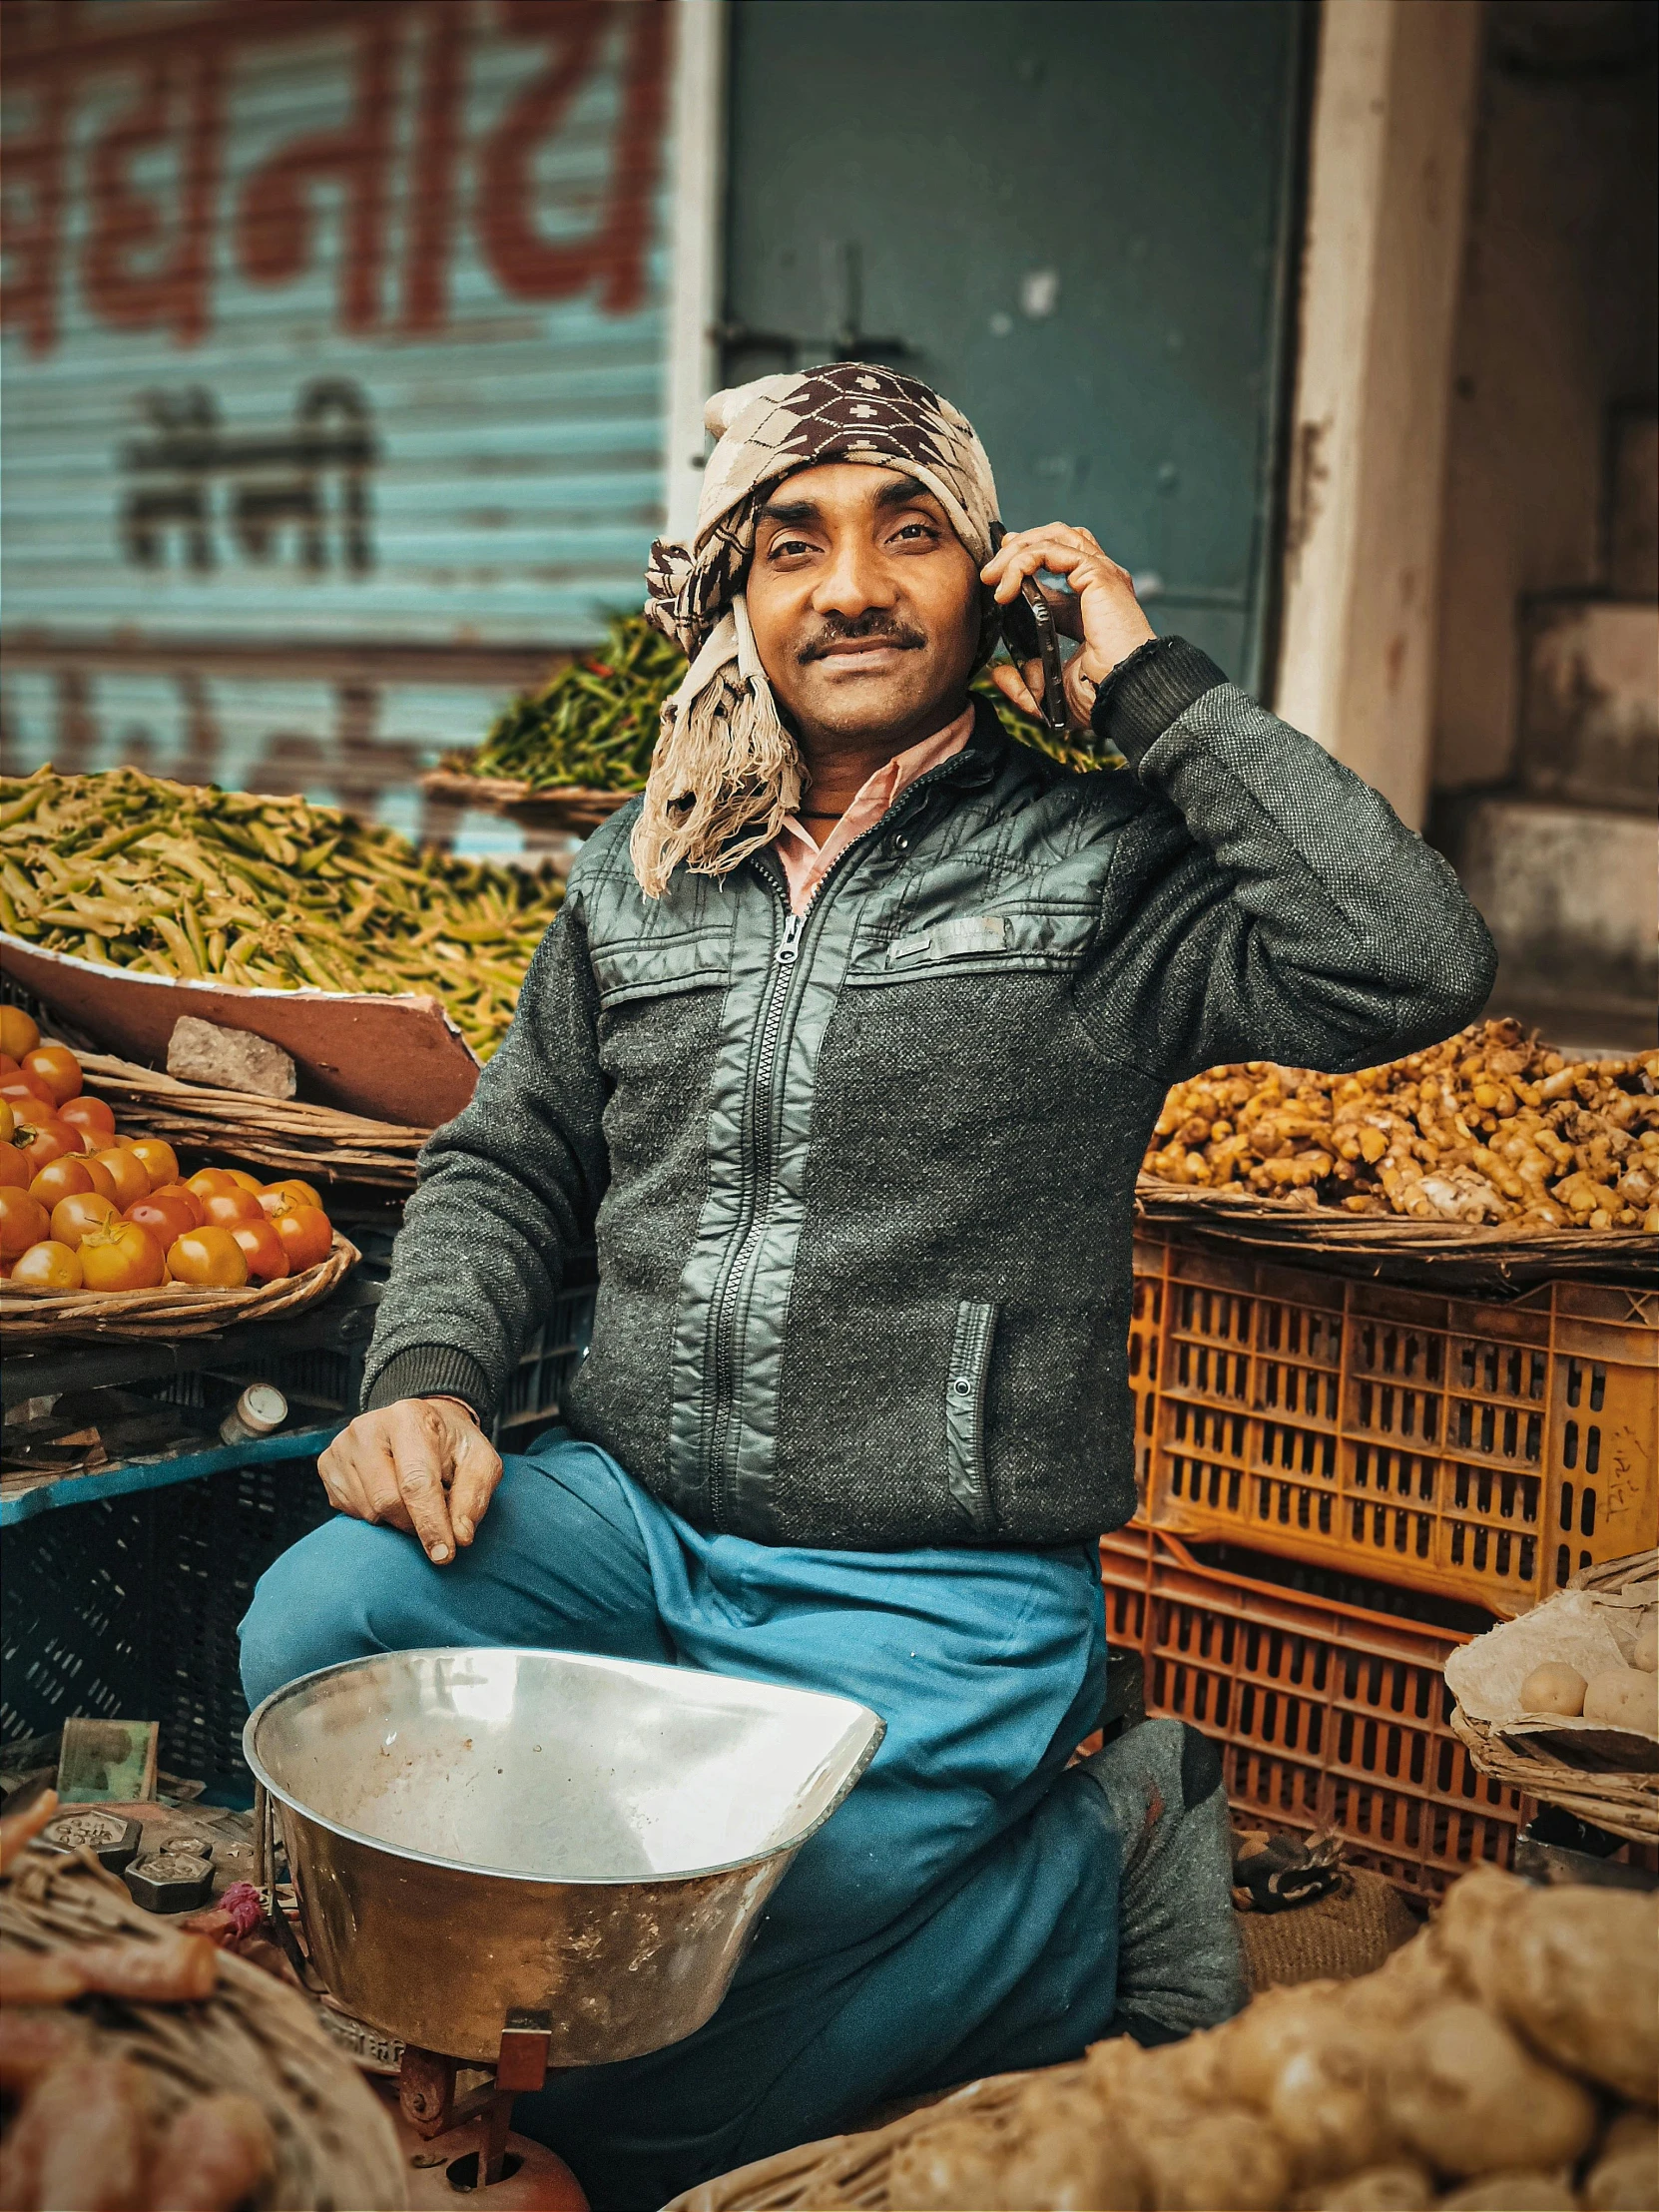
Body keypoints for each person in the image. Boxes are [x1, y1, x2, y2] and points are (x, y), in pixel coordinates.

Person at [241, 362, 1496, 2208]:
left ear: (990, 585)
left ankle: (1098, 1855)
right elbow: (513, 1159)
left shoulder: (1099, 864)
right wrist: (423, 1370)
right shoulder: (645, 872)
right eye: (793, 543)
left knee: (657, 2079)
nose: (850, 586)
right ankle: (815, 1927)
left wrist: (1146, 692)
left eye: (910, 533)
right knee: (317, 1634)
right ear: (729, 600)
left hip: (935, 1582)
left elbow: (1411, 960)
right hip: (635, 1520)